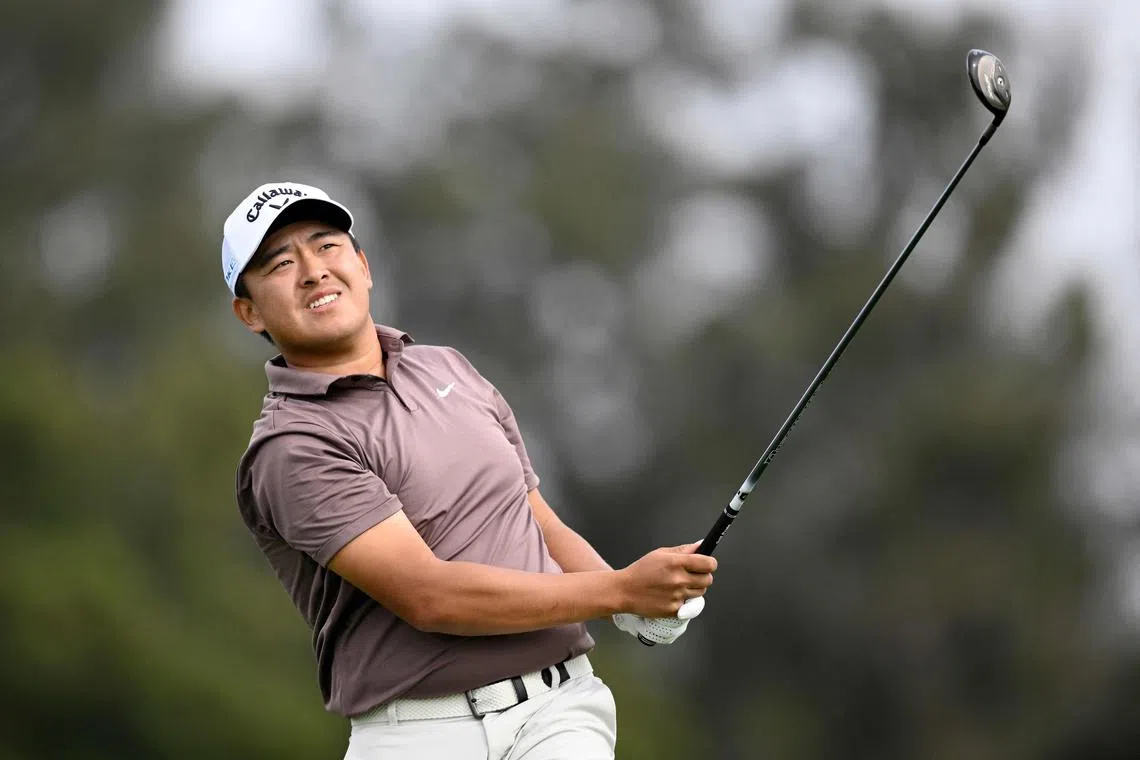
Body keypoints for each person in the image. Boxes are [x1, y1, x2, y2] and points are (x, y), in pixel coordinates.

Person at [222, 181, 717, 760]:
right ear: (249, 311)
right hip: (419, 737)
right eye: (281, 263)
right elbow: (430, 597)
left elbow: (535, 521)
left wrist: (636, 602)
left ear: (363, 264)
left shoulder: (447, 367)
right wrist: (617, 591)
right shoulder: (292, 444)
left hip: (559, 712)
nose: (313, 271)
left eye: (327, 246)